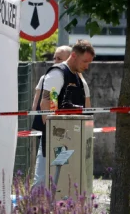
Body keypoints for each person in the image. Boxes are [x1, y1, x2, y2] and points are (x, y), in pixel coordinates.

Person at [31, 40, 96, 187]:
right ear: (73, 55)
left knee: (63, 182)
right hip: (56, 138)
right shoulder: (57, 73)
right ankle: (34, 209)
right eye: (85, 61)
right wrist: (54, 135)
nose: (87, 66)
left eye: (89, 63)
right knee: (42, 180)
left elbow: (86, 110)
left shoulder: (78, 78)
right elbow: (45, 103)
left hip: (70, 138)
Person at [30, 45, 71, 114]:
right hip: (51, 121)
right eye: (54, 58)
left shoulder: (77, 79)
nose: (55, 61)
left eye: (59, 59)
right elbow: (36, 105)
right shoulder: (48, 78)